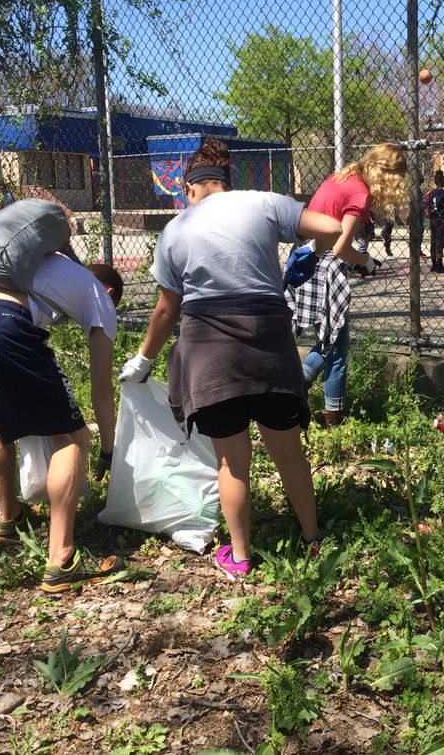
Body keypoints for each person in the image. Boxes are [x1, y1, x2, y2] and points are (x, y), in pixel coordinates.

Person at [118, 137, 342, 581]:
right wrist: (307, 251)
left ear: (191, 188)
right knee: (289, 452)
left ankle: (240, 557)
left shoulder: (176, 229)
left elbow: (167, 310)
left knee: (231, 462)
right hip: (269, 346)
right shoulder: (264, 203)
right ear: (225, 180)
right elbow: (332, 227)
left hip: (210, 353)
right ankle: (313, 540)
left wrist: (143, 360)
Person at [0, 254, 124, 593]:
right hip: (2, 322)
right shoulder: (100, 299)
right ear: (110, 290)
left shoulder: (44, 267)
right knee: (71, 437)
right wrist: (108, 450)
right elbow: (102, 391)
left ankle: (8, 517)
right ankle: (62, 560)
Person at [288, 143, 408, 427]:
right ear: (386, 175)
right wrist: (366, 262)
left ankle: (298, 397)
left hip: (304, 261)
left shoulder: (343, 176)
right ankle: (331, 421)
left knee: (328, 342)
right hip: (325, 268)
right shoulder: (360, 193)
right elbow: (342, 247)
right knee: (336, 350)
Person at [423, 170, 444, 273]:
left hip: (433, 219)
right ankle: (440, 265)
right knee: (440, 243)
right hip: (441, 219)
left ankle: (434, 265)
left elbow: (428, 206)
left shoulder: (432, 193)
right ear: (442, 181)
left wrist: (430, 216)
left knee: (433, 241)